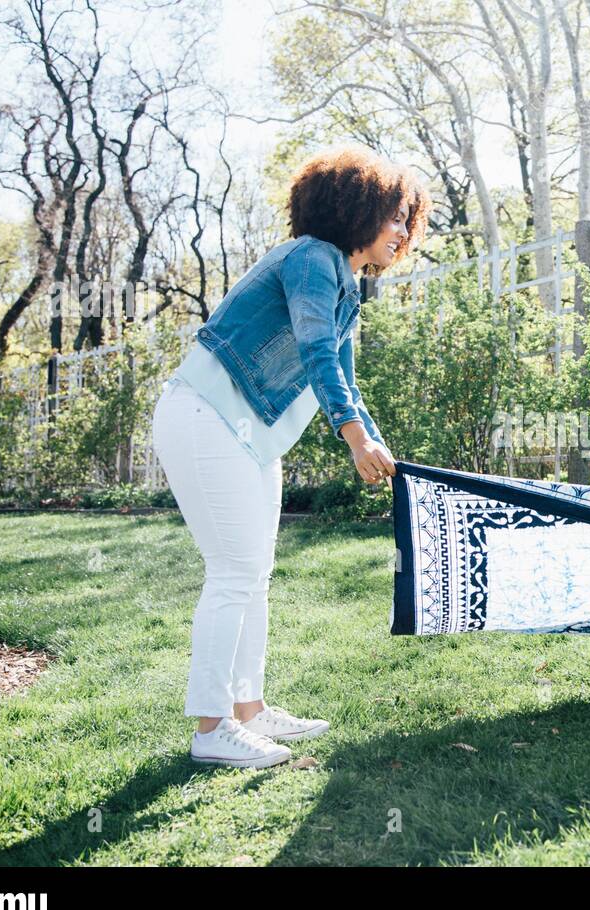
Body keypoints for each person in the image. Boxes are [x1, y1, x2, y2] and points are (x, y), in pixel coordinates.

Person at [151, 144, 431, 767]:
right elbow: (315, 352)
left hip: (246, 432)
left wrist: (373, 440)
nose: (402, 230)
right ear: (353, 208)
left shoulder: (347, 285)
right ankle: (211, 729)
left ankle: (249, 709)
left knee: (254, 572)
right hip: (206, 416)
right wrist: (354, 437)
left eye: (408, 218)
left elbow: (345, 380)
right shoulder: (312, 259)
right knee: (232, 572)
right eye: (392, 214)